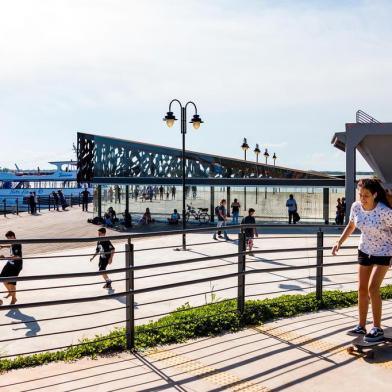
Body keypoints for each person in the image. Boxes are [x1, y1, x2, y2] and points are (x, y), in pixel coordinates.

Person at [332, 179, 392, 342]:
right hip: (364, 250)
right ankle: (361, 326)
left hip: (384, 251)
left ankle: (377, 328)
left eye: (366, 195)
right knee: (362, 289)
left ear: (375, 194)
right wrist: (339, 242)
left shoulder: (384, 211)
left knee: (373, 288)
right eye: (360, 195)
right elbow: (351, 226)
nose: (362, 198)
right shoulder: (356, 207)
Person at [0, 231, 23, 305]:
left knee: (11, 283)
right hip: (10, 263)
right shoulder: (13, 242)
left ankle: (14, 298)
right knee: (2, 279)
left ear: (13, 236)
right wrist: (4, 246)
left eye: (9, 238)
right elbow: (11, 246)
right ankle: (10, 292)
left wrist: (5, 257)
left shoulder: (17, 244)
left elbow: (18, 256)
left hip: (16, 266)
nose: (8, 239)